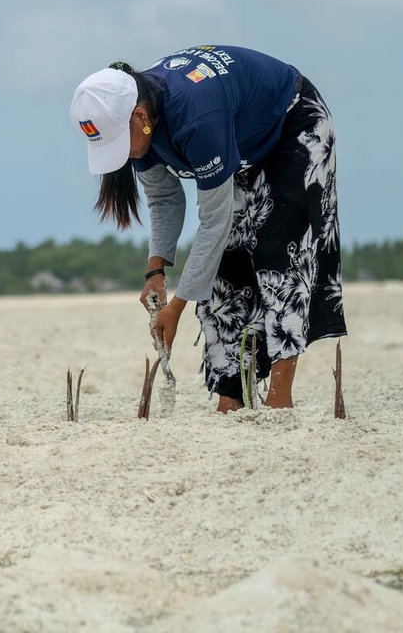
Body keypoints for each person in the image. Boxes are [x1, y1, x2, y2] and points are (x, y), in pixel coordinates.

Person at [68, 45, 346, 413]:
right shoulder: (142, 124)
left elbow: (214, 222)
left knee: (279, 255)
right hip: (243, 141)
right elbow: (165, 200)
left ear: (140, 117)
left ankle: (280, 398)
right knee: (226, 263)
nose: (124, 155)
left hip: (292, 122)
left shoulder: (197, 119)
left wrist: (178, 306)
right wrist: (155, 271)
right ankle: (231, 395)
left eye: (120, 143)